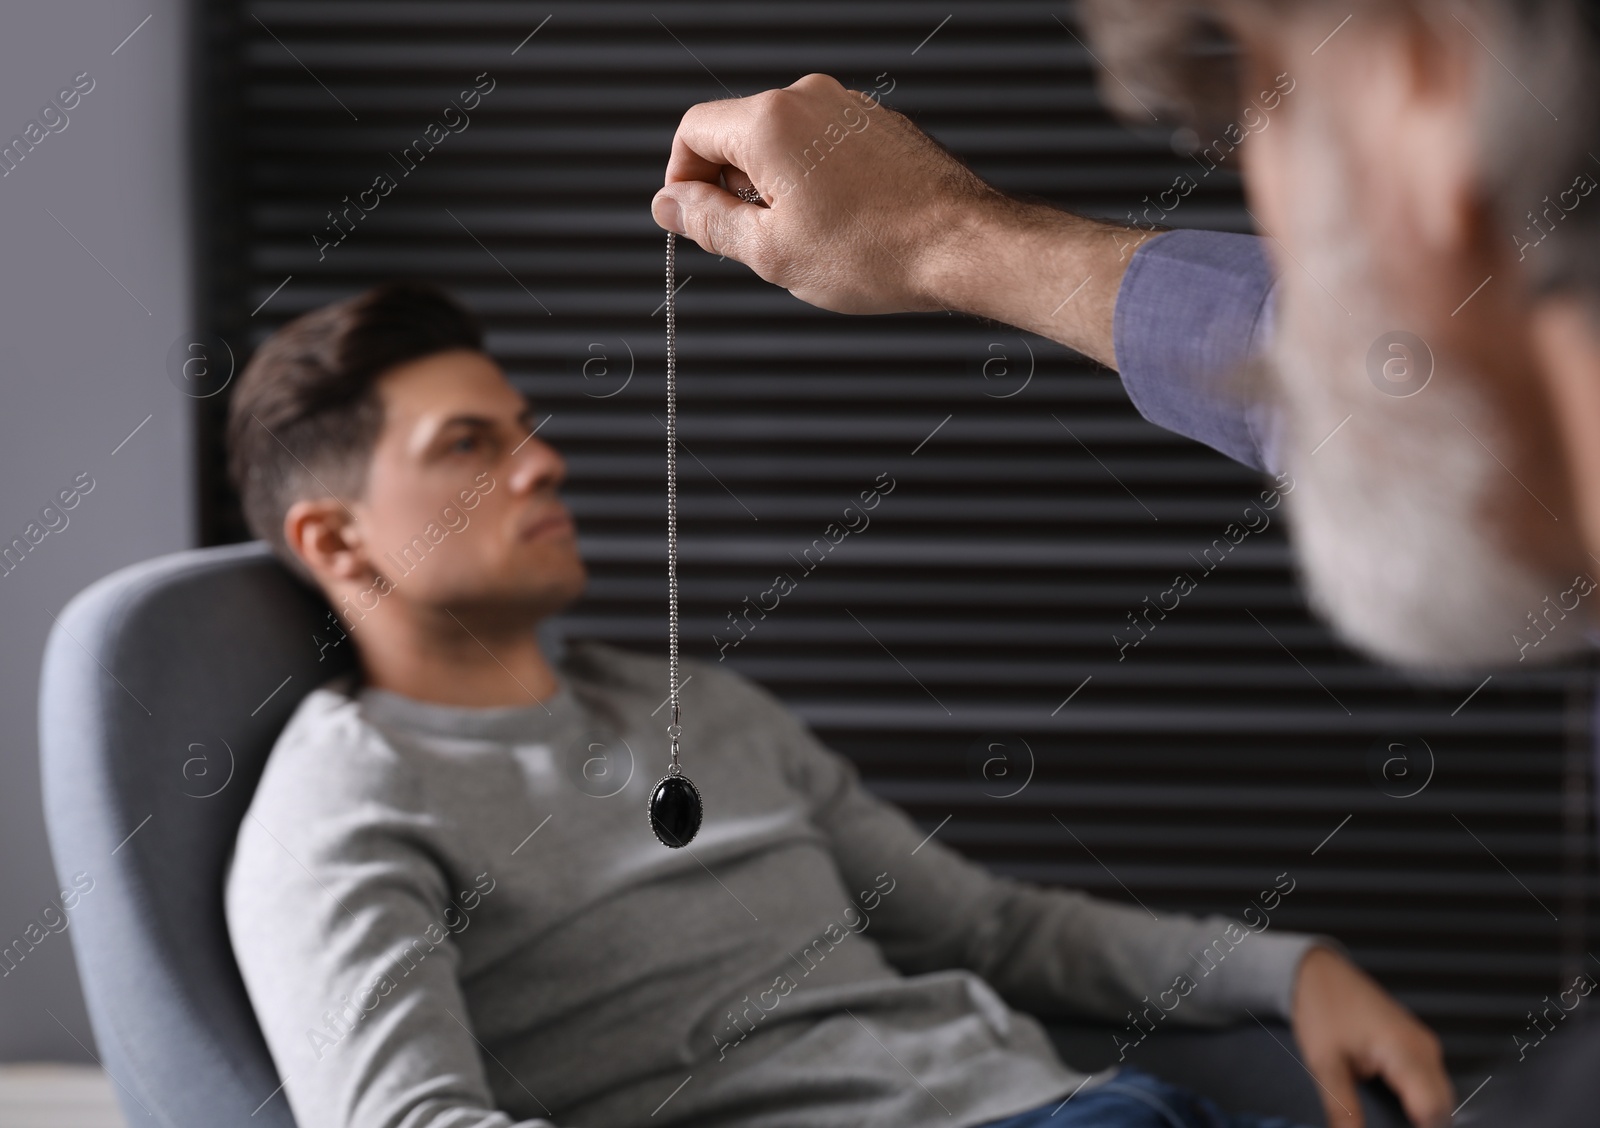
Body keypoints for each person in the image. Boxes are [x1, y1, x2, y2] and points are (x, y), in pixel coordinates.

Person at [645, 2, 1600, 1125]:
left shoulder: (726, 720)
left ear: (1418, 83)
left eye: (1255, 111)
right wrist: (942, 238)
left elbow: (986, 926)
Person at [220, 282, 1451, 1128]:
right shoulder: (345, 803)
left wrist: (1288, 971)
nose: (542, 459)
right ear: (336, 537)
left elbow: (991, 931)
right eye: (468, 445)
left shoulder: (697, 704)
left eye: (529, 428)